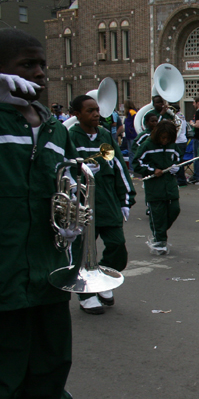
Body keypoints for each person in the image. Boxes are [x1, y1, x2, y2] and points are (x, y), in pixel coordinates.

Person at [0, 28, 82, 399]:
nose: (38, 73)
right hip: (4, 272)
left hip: (49, 273)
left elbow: (69, 192)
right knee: (3, 370)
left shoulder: (53, 131)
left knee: (50, 367)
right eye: (26, 64)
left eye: (42, 64)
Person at [68, 94, 136, 314]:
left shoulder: (105, 134)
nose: (96, 114)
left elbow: (120, 169)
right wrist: (81, 173)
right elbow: (61, 167)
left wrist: (126, 199)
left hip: (106, 201)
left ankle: (103, 279)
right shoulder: (70, 137)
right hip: (81, 202)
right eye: (89, 111)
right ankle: (86, 295)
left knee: (117, 246)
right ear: (77, 114)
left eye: (96, 109)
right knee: (82, 251)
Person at [132, 120, 181, 255]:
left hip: (170, 184)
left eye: (168, 138)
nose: (165, 141)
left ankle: (159, 234)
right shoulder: (147, 145)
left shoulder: (172, 145)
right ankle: (160, 239)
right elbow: (136, 163)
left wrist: (176, 167)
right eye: (163, 137)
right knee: (157, 214)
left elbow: (177, 158)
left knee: (175, 209)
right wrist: (152, 170)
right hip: (154, 185)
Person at [123, 99, 138, 165]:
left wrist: (132, 131)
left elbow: (135, 122)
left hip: (132, 135)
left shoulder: (132, 112)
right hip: (129, 135)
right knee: (130, 152)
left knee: (132, 152)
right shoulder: (129, 112)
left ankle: (133, 168)